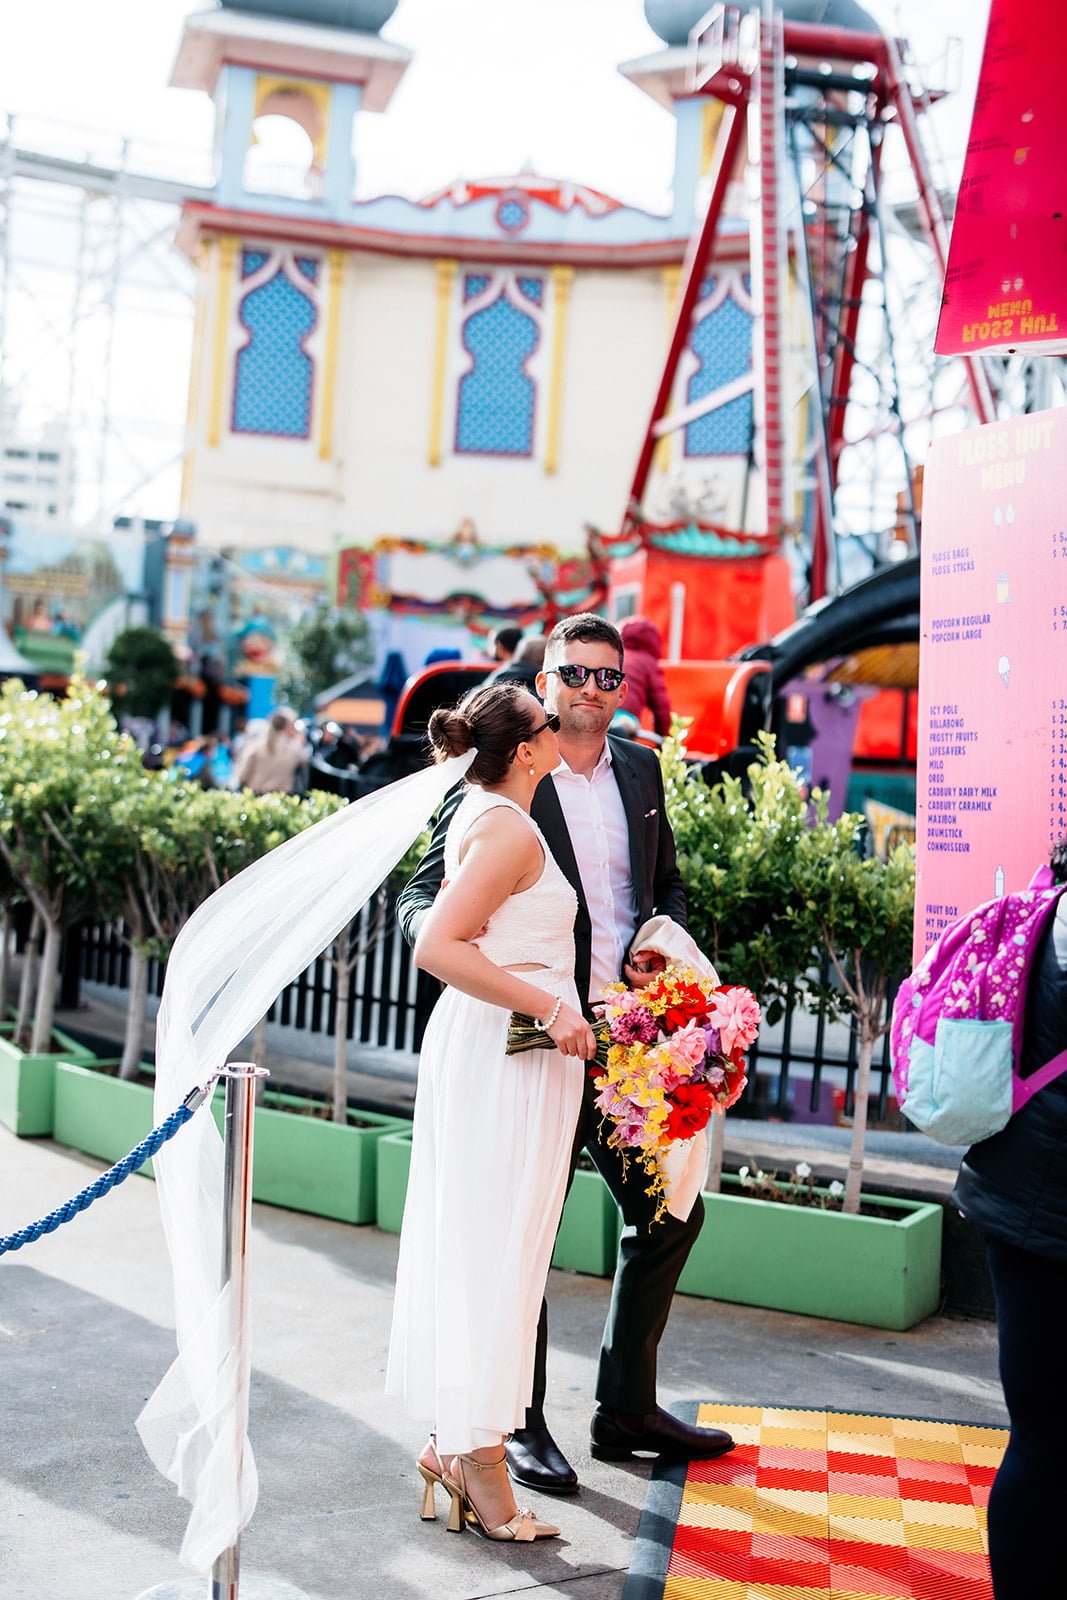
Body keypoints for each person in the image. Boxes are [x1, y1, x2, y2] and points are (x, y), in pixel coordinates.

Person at [398, 613, 733, 1496]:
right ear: (542, 681)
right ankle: (513, 1425)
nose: (590, 688)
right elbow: (423, 901)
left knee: (670, 1213)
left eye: (607, 676)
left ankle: (625, 1410)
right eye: (573, 673)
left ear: (625, 687)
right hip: (531, 1042)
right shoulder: (504, 773)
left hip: (624, 1043)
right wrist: (490, 967)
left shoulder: (643, 770)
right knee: (524, 1230)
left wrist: (661, 946)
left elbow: (662, 886)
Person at [387, 681, 597, 1542]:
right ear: (526, 749)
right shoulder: (506, 826)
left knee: (494, 1247)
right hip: (506, 1057)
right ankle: (478, 1462)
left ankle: (457, 1444)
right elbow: (439, 946)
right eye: (547, 721)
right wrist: (549, 1008)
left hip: (514, 1055)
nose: (561, 723)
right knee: (493, 1252)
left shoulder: (494, 814)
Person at [953, 838, 1067, 1599]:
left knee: (1040, 1438)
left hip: (1015, 1200)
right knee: (1045, 1442)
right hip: (1044, 1213)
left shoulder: (1045, 909)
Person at [232, 707, 311, 796]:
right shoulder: (296, 749)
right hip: (282, 798)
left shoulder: (255, 745)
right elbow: (306, 769)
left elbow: (242, 776)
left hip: (255, 797)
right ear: (289, 726)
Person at [618, 616, 672, 738]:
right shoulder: (649, 662)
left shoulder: (617, 655)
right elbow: (661, 707)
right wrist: (664, 738)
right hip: (625, 719)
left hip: (603, 712)